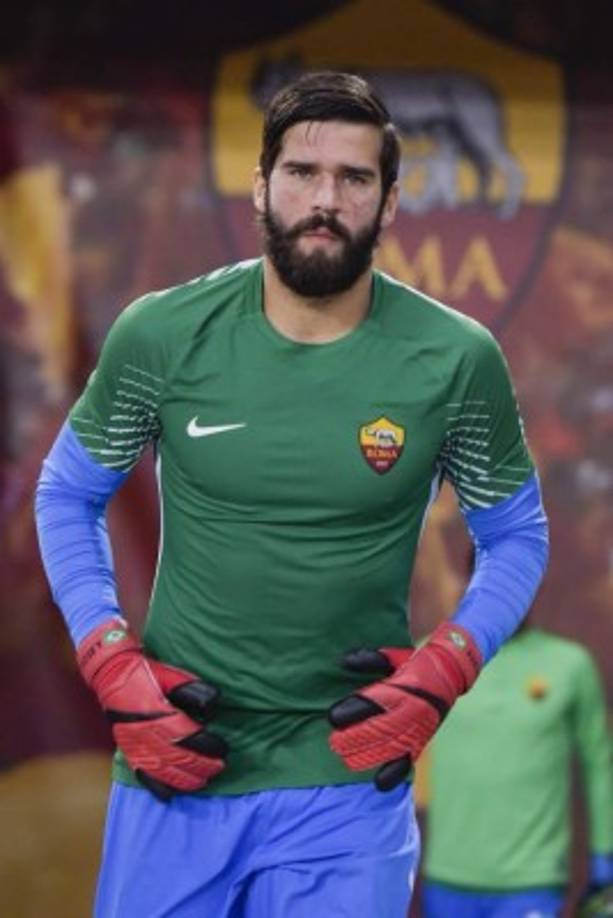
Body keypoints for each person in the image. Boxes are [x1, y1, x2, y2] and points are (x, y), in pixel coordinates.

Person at [35, 71, 549, 918]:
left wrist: (451, 661)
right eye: (302, 172)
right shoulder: (162, 334)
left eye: (354, 178)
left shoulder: (456, 359)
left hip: (347, 784)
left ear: (389, 202)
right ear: (260, 187)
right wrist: (105, 652)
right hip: (178, 767)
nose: (325, 199)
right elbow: (67, 493)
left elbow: (517, 535)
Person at [420, 619, 613, 918]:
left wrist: (604, 855)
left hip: (533, 879)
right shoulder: (430, 656)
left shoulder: (570, 664)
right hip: (446, 876)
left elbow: (599, 764)